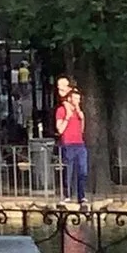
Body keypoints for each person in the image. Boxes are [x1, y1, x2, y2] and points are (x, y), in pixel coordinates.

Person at [54, 74, 89, 204]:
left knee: (82, 170)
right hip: (68, 143)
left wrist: (80, 115)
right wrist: (67, 117)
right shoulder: (61, 110)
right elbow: (60, 129)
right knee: (68, 170)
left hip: (80, 144)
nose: (77, 101)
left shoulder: (78, 111)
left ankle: (81, 196)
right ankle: (67, 195)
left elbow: (82, 129)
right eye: (75, 98)